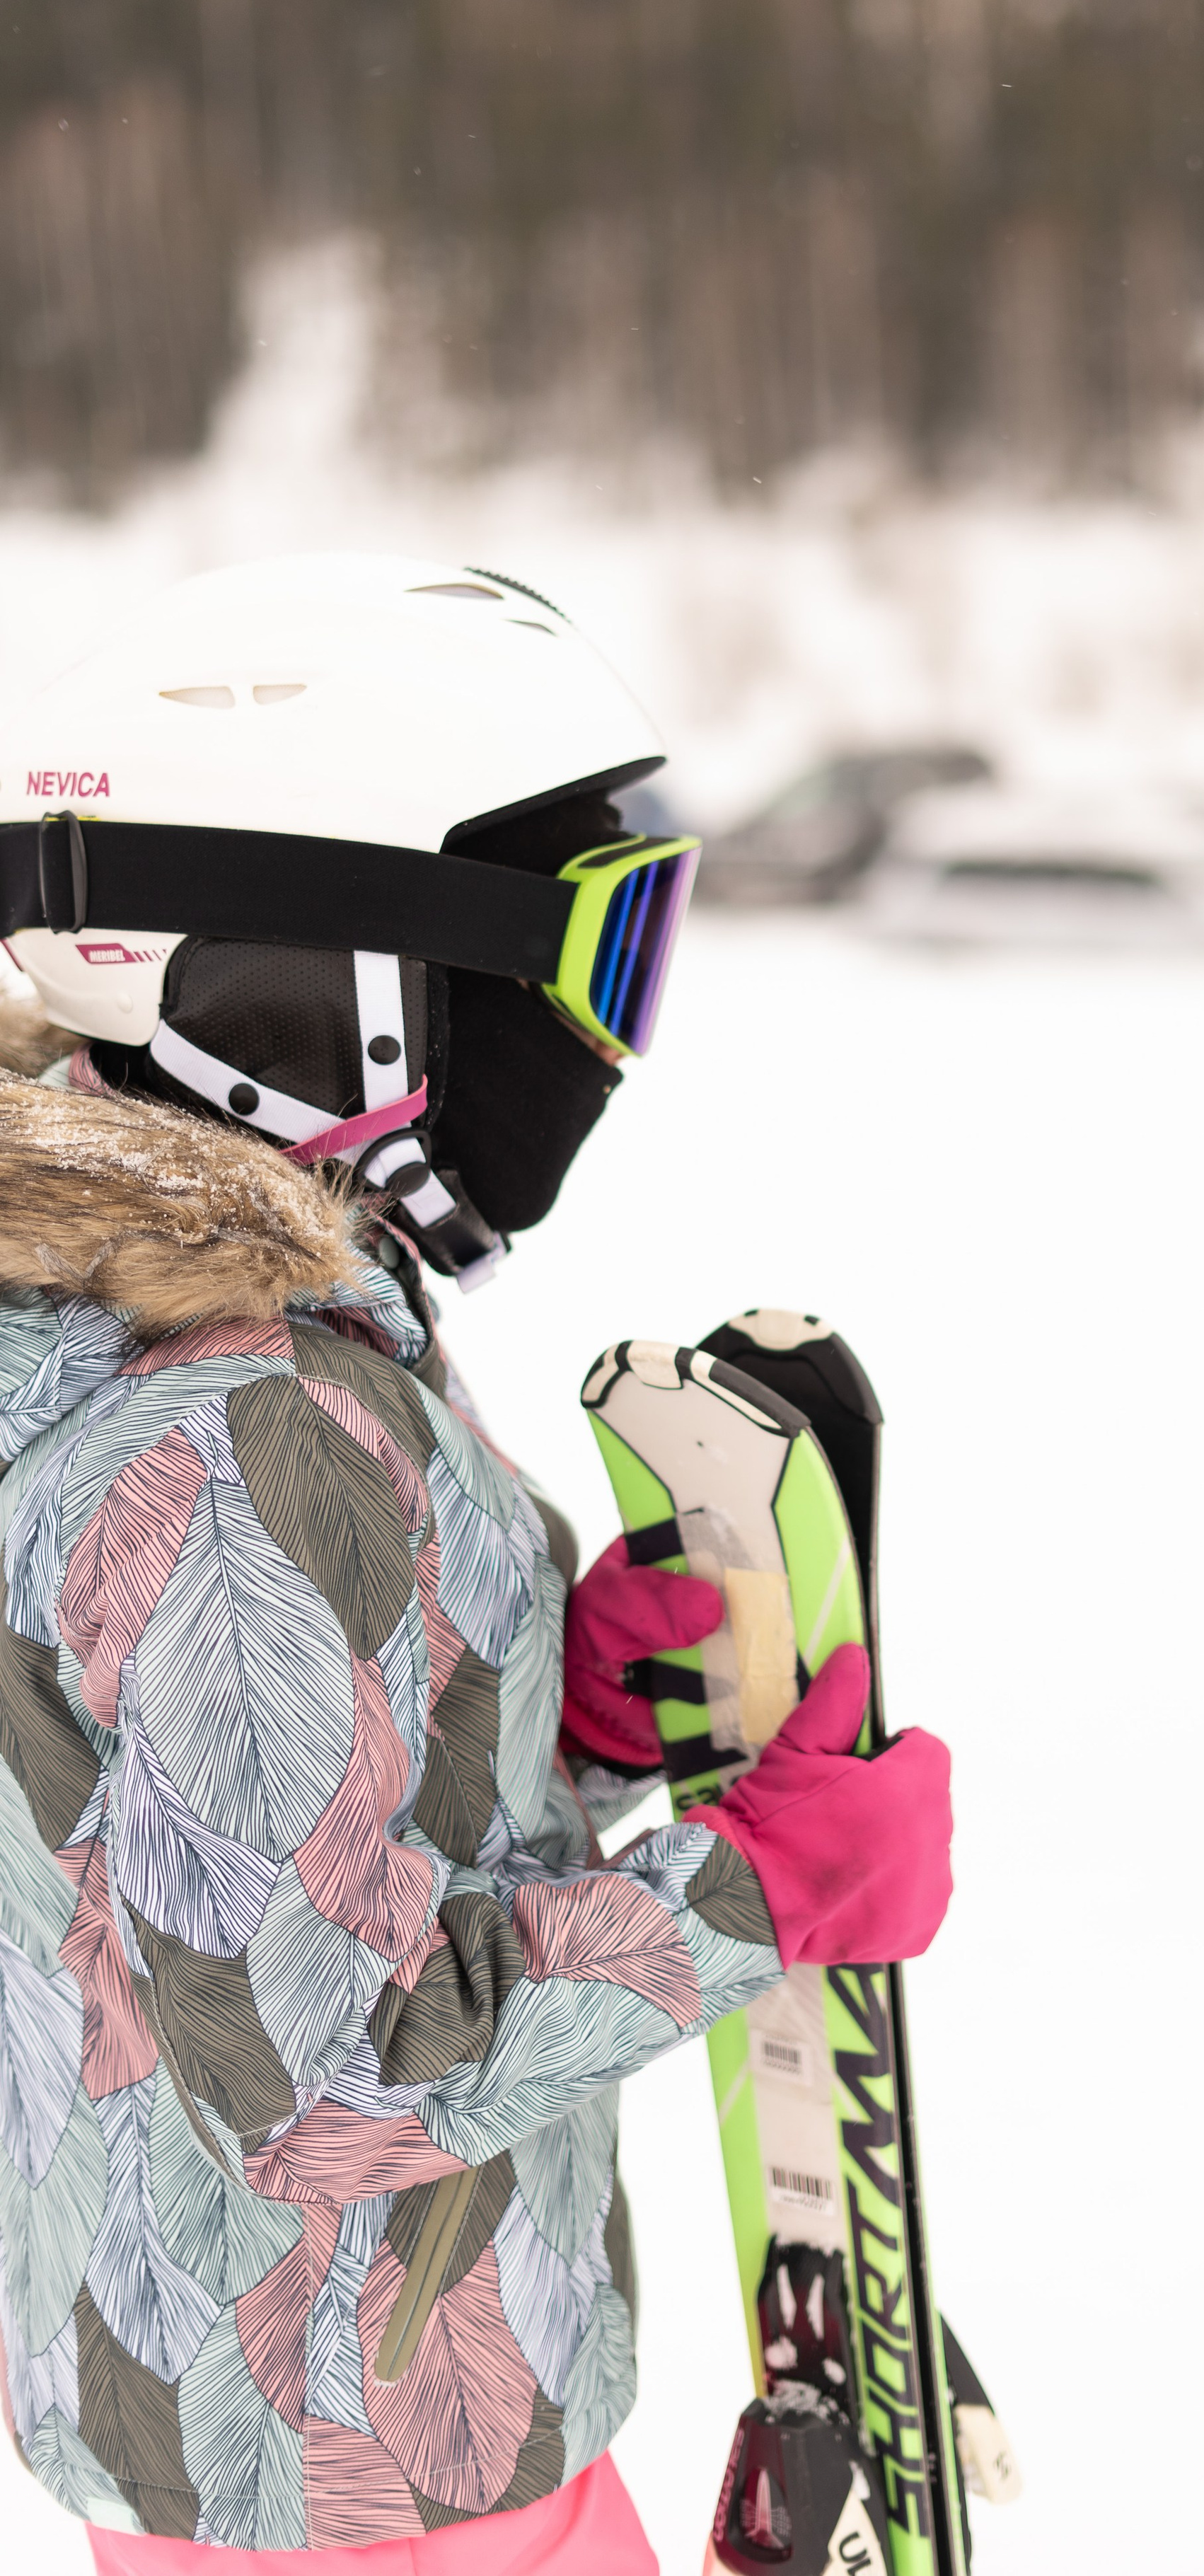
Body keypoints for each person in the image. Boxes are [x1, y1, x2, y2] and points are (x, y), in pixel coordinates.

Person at [0, 556, 954, 2570]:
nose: (598, 1046)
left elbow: (189, 1861)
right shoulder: (235, 1437)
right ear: (315, 982)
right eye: (586, 961)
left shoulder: (121, 1319)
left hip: (270, 2424)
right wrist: (748, 1890)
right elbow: (319, 2074)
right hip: (367, 2474)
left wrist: (540, 1717)